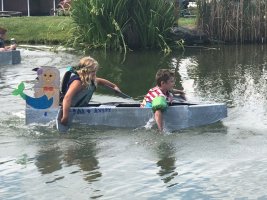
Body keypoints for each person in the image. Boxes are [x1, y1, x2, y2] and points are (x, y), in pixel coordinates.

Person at [60, 56, 122, 125]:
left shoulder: (91, 79)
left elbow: (101, 81)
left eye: (95, 71)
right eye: (93, 71)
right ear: (86, 71)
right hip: (67, 109)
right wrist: (65, 116)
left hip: (79, 108)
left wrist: (114, 86)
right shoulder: (77, 83)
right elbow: (67, 98)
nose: (95, 73)